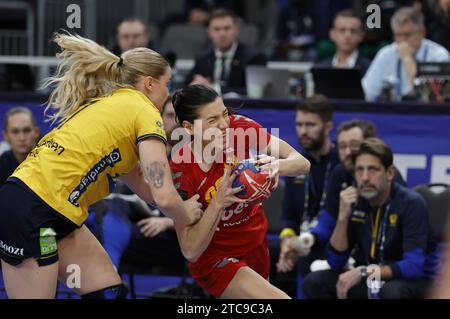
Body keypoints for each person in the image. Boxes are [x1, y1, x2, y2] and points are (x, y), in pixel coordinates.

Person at [0, 33, 203, 299]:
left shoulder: (110, 105)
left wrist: (188, 199)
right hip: (32, 211)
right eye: (168, 83)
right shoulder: (145, 111)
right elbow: (163, 194)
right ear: (150, 83)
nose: (169, 92)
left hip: (52, 215)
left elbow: (146, 188)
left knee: (108, 292)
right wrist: (186, 214)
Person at [169, 84, 311, 298]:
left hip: (255, 244)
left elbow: (301, 163)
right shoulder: (181, 169)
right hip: (215, 258)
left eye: (224, 114)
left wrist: (273, 166)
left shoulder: (240, 128)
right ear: (189, 127)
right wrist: (218, 202)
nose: (224, 124)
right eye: (212, 120)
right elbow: (190, 249)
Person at [302, 138, 438, 299]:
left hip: (415, 282)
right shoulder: (355, 202)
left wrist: (363, 271)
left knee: (392, 292)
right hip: (374, 277)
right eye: (359, 170)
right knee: (314, 282)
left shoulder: (411, 203)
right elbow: (335, 261)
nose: (365, 177)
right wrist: (342, 217)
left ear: (390, 173)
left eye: (372, 169)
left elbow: (413, 266)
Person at [277, 95, 340, 276]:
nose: (303, 131)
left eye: (310, 125)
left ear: (328, 127)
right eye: (299, 124)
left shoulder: (341, 163)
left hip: (333, 241)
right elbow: (289, 217)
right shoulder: (295, 164)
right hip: (303, 241)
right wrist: (287, 241)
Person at [362, 6, 450, 101]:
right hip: (393, 113)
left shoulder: (439, 55)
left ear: (422, 32)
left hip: (426, 114)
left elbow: (431, 98)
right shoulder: (385, 54)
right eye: (398, 35)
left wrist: (407, 59)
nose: (403, 40)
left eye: (408, 35)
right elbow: (367, 94)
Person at [184, 8, 267, 95]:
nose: (222, 34)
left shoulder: (254, 57)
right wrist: (195, 85)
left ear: (236, 30)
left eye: (227, 28)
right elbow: (186, 85)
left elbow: (256, 92)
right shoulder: (203, 57)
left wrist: (214, 89)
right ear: (209, 32)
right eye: (217, 29)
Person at [316, 9, 371, 75]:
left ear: (361, 35)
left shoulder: (370, 69)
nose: (347, 35)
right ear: (332, 34)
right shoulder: (320, 69)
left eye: (353, 31)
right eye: (342, 30)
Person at [0, 107, 40, 185]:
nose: (22, 138)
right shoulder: (3, 163)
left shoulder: (48, 158)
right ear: (5, 135)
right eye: (15, 132)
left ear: (36, 132)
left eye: (27, 130)